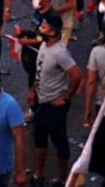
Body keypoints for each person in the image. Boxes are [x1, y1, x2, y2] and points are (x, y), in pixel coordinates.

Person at [28, 12, 81, 186]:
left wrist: (66, 97)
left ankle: (62, 179)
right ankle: (38, 174)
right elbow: (39, 70)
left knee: (59, 142)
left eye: (44, 27)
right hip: (41, 102)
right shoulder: (44, 46)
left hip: (54, 106)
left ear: (52, 32)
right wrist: (33, 91)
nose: (40, 29)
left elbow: (76, 74)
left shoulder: (60, 53)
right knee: (40, 138)